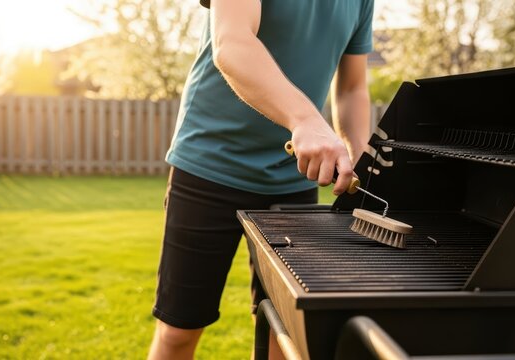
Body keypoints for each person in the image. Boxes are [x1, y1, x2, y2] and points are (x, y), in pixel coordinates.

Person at [147, 0, 374, 358]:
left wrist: (361, 155)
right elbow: (231, 42)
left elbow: (352, 88)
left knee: (282, 338)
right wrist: (305, 120)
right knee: (178, 331)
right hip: (209, 166)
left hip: (294, 179)